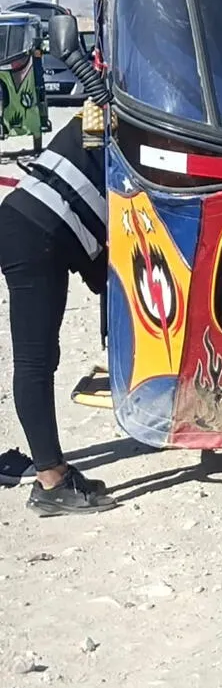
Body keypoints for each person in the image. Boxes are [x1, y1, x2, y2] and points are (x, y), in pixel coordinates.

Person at [0, 110, 115, 515]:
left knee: (42, 357)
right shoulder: (127, 118)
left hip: (40, 228)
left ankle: (52, 467)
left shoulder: (105, 112)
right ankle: (51, 481)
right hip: (35, 233)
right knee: (35, 360)